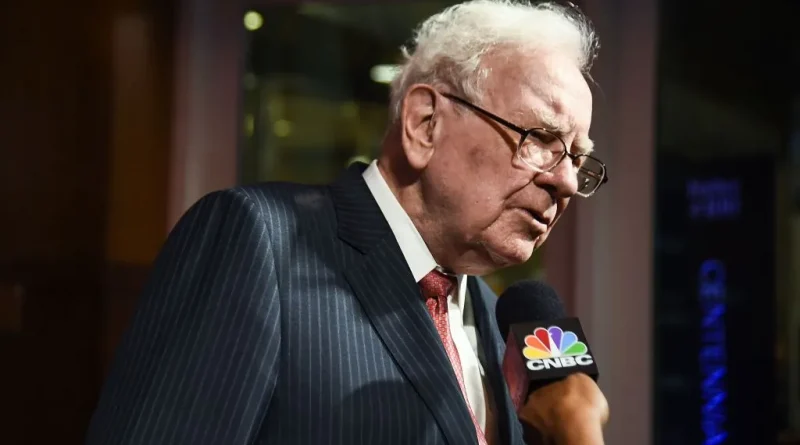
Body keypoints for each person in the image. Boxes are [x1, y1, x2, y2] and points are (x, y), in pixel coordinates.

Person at [85, 1, 610, 444]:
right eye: (541, 139)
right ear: (425, 124)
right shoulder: (259, 242)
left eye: (577, 159)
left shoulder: (506, 329)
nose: (565, 182)